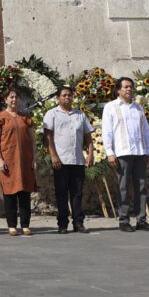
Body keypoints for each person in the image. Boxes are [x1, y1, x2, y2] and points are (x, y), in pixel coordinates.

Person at [102, 77, 149, 232]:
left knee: (141, 187)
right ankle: (124, 220)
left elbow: (146, 130)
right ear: (118, 90)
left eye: (131, 87)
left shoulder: (138, 107)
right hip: (122, 152)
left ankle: (141, 220)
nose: (129, 89)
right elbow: (107, 131)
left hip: (139, 152)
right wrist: (110, 153)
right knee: (123, 187)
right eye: (125, 87)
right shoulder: (111, 107)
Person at [42, 86, 94, 234]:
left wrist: (90, 154)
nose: (67, 98)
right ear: (58, 98)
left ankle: (78, 223)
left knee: (77, 193)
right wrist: (53, 155)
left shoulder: (80, 115)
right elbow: (48, 137)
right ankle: (62, 224)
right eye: (64, 95)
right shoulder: (52, 114)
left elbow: (88, 137)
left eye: (70, 95)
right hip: (61, 160)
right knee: (61, 193)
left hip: (77, 160)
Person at [0, 87, 37, 236]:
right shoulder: (0, 117)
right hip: (8, 160)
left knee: (25, 193)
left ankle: (25, 225)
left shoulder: (25, 117)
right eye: (11, 97)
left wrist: (34, 158)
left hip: (25, 161)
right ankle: (11, 225)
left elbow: (33, 140)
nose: (14, 100)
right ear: (5, 100)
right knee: (10, 194)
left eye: (16, 97)